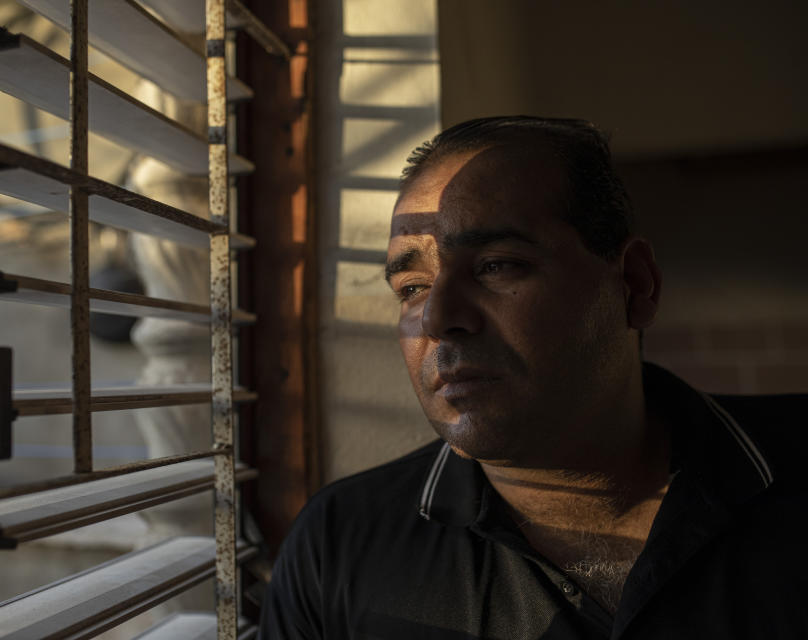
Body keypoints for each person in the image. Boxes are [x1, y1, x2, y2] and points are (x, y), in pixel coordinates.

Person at [257, 116, 807, 639]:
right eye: (411, 288)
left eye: (497, 265)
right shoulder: (341, 545)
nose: (437, 317)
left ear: (634, 286)